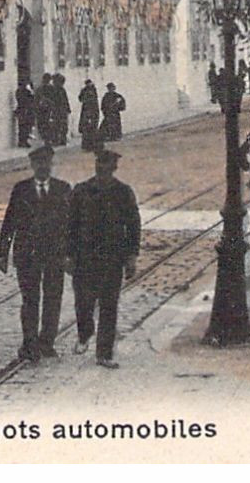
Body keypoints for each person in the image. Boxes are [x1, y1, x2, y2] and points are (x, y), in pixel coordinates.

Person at [66, 148, 140, 368]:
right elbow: (70, 225)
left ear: (114, 169)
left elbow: (133, 226)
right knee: (83, 302)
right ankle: (85, 331)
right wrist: (67, 255)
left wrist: (131, 256)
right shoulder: (81, 191)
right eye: (99, 165)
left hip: (112, 258)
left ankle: (104, 353)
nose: (102, 169)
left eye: (107, 166)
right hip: (84, 257)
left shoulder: (123, 192)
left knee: (109, 305)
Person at [0, 144, 71, 362]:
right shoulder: (21, 190)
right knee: (30, 299)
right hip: (27, 256)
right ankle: (29, 343)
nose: (43, 167)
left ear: (51, 164)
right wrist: (3, 253)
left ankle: (46, 342)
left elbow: (74, 225)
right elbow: (9, 222)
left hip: (55, 255)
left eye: (46, 163)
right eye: (38, 163)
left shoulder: (63, 189)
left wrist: (72, 255)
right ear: (32, 165)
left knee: (52, 299)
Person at [77, 79, 101, 152]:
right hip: (86, 112)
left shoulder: (93, 90)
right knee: (86, 129)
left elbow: (94, 103)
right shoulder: (85, 90)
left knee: (92, 129)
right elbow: (80, 99)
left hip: (92, 112)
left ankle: (92, 145)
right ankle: (87, 146)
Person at [14, 79, 38, 148]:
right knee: (24, 126)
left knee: (24, 126)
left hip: (23, 110)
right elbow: (30, 99)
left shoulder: (20, 91)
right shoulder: (25, 91)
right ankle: (23, 141)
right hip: (25, 110)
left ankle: (23, 141)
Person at [53, 74, 72, 146]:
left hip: (63, 110)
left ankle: (63, 139)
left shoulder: (62, 90)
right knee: (56, 126)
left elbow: (65, 100)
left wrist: (68, 108)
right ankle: (56, 140)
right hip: (57, 110)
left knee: (64, 126)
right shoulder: (54, 90)